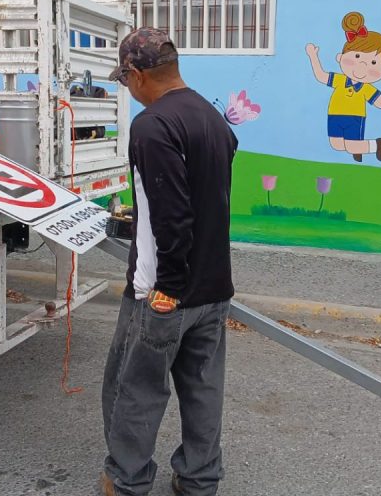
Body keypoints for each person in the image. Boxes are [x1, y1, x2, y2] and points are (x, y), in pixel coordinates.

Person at [100, 27, 238, 496]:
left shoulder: (152, 125)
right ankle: (199, 480)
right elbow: (206, 199)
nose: (129, 89)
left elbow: (173, 216)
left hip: (162, 293)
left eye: (125, 81)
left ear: (136, 75)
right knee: (203, 392)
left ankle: (127, 482)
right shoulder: (213, 119)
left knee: (134, 391)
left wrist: (168, 290)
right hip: (213, 288)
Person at [305, 11, 381, 163]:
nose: (362, 65)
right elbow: (321, 76)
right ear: (340, 57)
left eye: (373, 63)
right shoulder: (339, 80)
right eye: (357, 56)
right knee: (336, 145)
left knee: (351, 146)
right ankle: (358, 150)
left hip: (354, 117)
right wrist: (313, 56)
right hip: (334, 114)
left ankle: (376, 145)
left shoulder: (366, 88)